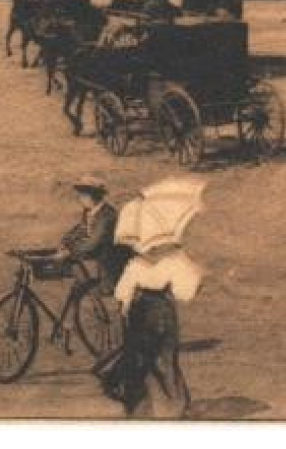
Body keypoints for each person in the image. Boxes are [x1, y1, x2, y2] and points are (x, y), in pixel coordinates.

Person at [97, 241, 202, 418]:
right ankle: (176, 404)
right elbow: (184, 293)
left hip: (142, 312)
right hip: (165, 310)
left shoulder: (137, 263)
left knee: (142, 357)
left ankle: (142, 404)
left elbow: (123, 292)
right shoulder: (174, 260)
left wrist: (123, 310)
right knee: (167, 357)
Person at [58, 177, 131, 346]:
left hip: (114, 263)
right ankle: (71, 321)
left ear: (94, 196)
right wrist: (65, 241)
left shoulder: (108, 216)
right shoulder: (90, 211)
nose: (80, 198)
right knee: (78, 278)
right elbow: (81, 229)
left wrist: (71, 251)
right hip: (99, 259)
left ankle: (118, 336)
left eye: (83, 194)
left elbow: (94, 242)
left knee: (109, 296)